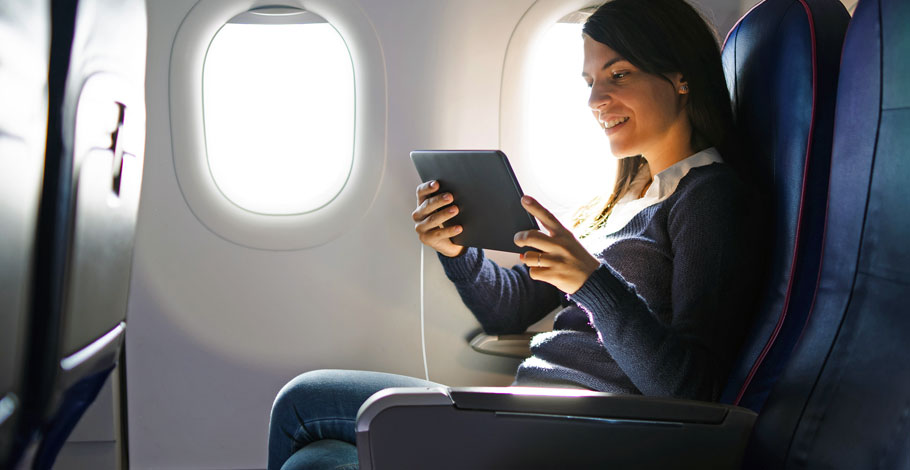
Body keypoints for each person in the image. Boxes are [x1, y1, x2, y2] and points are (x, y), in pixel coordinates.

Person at [267, 0, 761, 468]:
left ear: (681, 79)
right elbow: (508, 309)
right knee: (311, 441)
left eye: (619, 74)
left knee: (306, 410)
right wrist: (457, 251)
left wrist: (591, 283)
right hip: (529, 414)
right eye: (590, 80)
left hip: (576, 434)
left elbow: (691, 392)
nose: (595, 99)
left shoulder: (709, 198)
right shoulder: (627, 198)